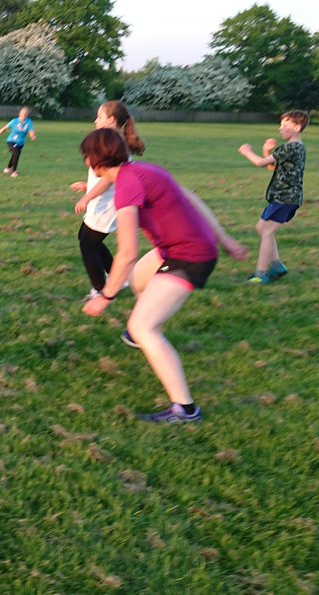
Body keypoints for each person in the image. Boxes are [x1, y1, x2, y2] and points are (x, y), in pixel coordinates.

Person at [79, 128, 248, 423]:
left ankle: (185, 409)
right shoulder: (143, 170)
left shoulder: (127, 187)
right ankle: (142, 328)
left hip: (189, 257)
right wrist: (224, 239)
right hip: (178, 248)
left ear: (93, 162)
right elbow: (192, 199)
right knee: (137, 278)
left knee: (144, 326)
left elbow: (127, 251)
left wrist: (105, 296)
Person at [70, 101, 145, 299]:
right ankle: (118, 276)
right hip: (102, 201)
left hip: (107, 206)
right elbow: (105, 176)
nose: (96, 120)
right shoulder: (109, 141)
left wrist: (87, 197)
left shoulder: (116, 145)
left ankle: (100, 289)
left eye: (100, 117)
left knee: (88, 244)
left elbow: (109, 179)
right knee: (87, 240)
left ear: (111, 120)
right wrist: (87, 186)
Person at [237, 110, 308, 284]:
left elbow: (261, 163)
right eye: (280, 124)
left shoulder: (291, 147)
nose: (280, 128)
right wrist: (266, 149)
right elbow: (272, 167)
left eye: (285, 125)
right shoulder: (296, 147)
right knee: (261, 229)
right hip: (281, 198)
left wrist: (246, 152)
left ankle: (260, 274)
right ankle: (277, 267)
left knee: (267, 232)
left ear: (297, 127)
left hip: (286, 198)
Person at [0, 106, 36, 177]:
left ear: (27, 115)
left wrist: (32, 136)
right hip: (11, 141)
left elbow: (31, 131)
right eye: (22, 114)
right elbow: (4, 129)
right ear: (19, 114)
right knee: (16, 153)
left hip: (20, 143)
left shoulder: (29, 122)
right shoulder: (14, 121)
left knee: (14, 155)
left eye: (25, 114)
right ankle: (14, 172)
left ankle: (8, 168)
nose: (24, 115)